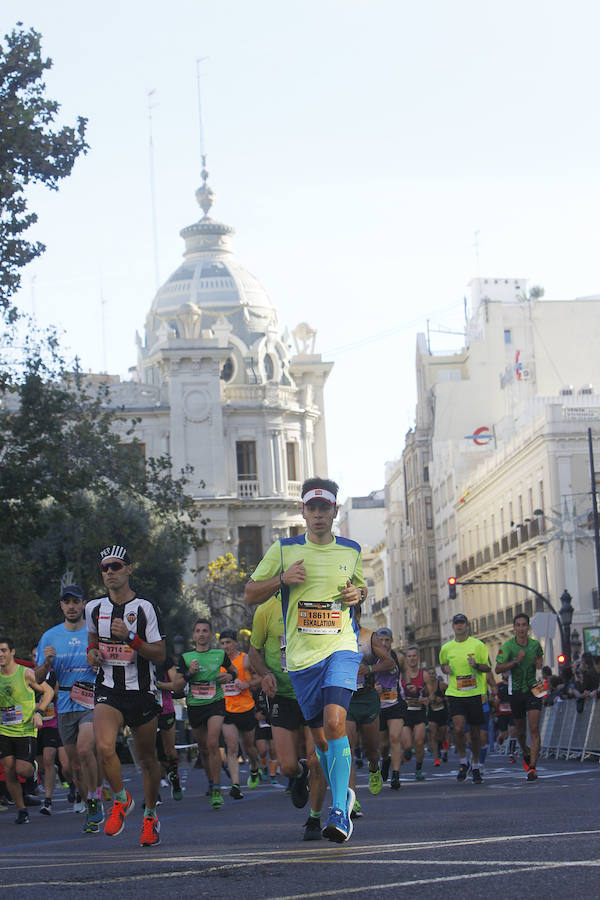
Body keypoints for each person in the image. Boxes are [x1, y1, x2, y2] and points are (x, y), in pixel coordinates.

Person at [244, 477, 365, 843]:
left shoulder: (351, 550)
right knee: (324, 743)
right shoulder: (283, 550)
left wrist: (358, 593)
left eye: (324, 508)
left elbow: (360, 589)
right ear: (303, 511)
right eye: (311, 508)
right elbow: (249, 593)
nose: (317, 515)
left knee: (334, 723)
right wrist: (282, 579)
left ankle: (340, 810)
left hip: (341, 647)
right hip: (300, 660)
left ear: (334, 512)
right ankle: (341, 794)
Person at [86, 544, 165, 846]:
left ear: (129, 569)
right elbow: (93, 640)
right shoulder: (94, 608)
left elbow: (159, 655)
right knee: (104, 747)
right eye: (105, 568)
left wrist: (131, 638)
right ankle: (120, 799)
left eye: (116, 566)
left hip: (142, 692)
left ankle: (150, 816)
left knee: (146, 759)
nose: (109, 573)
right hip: (109, 689)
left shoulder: (144, 608)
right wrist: (92, 653)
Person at [248, 592, 328, 841]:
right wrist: (264, 674)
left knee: (317, 761)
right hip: (282, 695)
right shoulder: (266, 610)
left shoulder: (314, 602)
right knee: (288, 767)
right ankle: (299, 774)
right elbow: (253, 652)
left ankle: (314, 818)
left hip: (314, 692)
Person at [36, 583, 102, 831]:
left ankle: (96, 796)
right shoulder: (50, 637)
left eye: (76, 601)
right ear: (61, 605)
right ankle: (90, 805)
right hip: (64, 702)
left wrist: (98, 664)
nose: (72, 606)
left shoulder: (93, 633)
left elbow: (110, 665)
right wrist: (47, 663)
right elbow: (38, 678)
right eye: (67, 602)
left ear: (83, 604)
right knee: (72, 766)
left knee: (85, 751)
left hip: (92, 700)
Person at [178, 618, 239, 809]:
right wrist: (189, 673)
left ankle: (216, 788)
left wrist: (230, 676)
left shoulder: (219, 654)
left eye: (205, 630)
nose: (202, 634)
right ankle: (211, 781)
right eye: (198, 631)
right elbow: (180, 682)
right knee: (203, 748)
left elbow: (234, 671)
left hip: (216, 702)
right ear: (194, 635)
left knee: (213, 743)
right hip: (195, 705)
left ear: (211, 635)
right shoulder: (186, 657)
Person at [346, 605, 393, 817]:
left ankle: (374, 768)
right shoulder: (333, 637)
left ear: (357, 615)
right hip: (345, 698)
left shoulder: (368, 637)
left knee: (371, 748)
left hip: (366, 697)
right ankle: (351, 799)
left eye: (350, 613)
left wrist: (371, 669)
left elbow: (389, 662)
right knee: (346, 750)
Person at [0, 636, 53, 824]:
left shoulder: (25, 673)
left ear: (12, 652)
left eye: (4, 650)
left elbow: (48, 692)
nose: (1, 655)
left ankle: (34, 770)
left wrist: (39, 711)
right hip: (4, 731)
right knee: (9, 771)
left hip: (25, 730)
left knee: (22, 769)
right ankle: (22, 810)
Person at [439, 613, 490, 785]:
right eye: (456, 624)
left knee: (475, 735)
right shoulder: (447, 648)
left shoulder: (478, 645)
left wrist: (476, 665)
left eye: (462, 623)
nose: (459, 626)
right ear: (453, 627)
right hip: (456, 693)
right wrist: (445, 668)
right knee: (459, 729)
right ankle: (463, 761)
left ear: (467, 626)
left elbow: (487, 667)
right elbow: (443, 664)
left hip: (475, 693)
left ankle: (475, 765)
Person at [495, 613, 544, 781]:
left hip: (533, 689)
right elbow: (498, 668)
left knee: (534, 728)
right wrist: (515, 661)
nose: (522, 628)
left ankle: (532, 767)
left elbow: (540, 660)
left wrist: (539, 664)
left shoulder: (535, 644)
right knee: (521, 732)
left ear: (528, 627)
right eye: (518, 625)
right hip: (516, 691)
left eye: (524, 625)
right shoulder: (508, 646)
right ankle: (525, 750)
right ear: (514, 628)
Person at [218, 628, 261, 797]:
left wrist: (247, 684)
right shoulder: (218, 661)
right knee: (232, 747)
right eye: (222, 643)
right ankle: (235, 785)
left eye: (228, 642)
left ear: (235, 643)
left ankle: (254, 767)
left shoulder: (245, 659)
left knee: (249, 747)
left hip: (246, 708)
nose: (225, 646)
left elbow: (260, 677)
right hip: (227, 709)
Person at [375, 627, 406, 790]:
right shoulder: (371, 658)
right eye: (381, 640)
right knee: (383, 744)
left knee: (395, 738)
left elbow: (405, 675)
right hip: (378, 705)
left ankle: (395, 774)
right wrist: (373, 687)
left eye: (387, 640)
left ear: (391, 641)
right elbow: (364, 676)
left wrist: (408, 688)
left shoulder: (399, 657)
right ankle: (385, 760)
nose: (384, 643)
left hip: (395, 703)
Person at [155, 654, 183, 801]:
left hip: (165, 709)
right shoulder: (136, 656)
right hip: (146, 710)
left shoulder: (165, 659)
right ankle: (154, 794)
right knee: (150, 754)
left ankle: (175, 779)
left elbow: (175, 684)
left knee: (169, 751)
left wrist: (158, 685)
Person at [401, 647, 429, 781]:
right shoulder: (401, 676)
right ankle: (405, 752)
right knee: (407, 745)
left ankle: (418, 769)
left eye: (414, 656)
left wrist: (428, 699)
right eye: (409, 656)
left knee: (419, 741)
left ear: (418, 658)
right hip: (405, 713)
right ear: (406, 659)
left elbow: (431, 693)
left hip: (419, 713)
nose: (412, 658)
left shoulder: (424, 675)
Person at [424, 666, 449, 766]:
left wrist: (442, 699)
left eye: (433, 673)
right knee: (433, 735)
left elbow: (451, 694)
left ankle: (445, 751)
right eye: (429, 674)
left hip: (442, 712)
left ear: (435, 674)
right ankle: (436, 759)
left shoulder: (442, 685)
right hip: (432, 712)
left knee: (442, 735)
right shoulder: (425, 688)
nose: (431, 676)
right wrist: (426, 701)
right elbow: (422, 698)